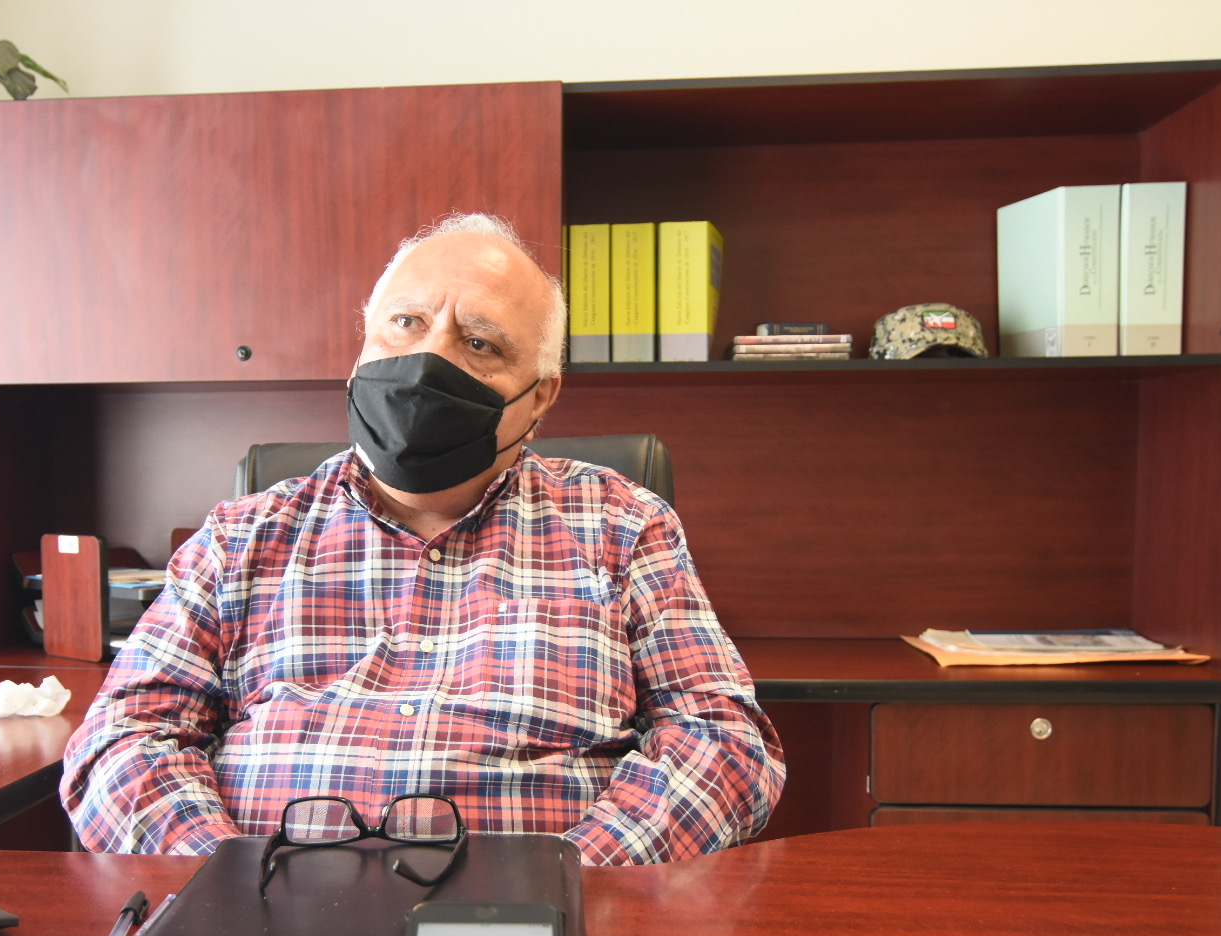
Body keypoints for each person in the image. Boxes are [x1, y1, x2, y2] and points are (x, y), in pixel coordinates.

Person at [59, 212, 785, 865]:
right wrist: (226, 890)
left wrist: (569, 885)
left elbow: (724, 742)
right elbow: (122, 741)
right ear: (362, 348)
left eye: (480, 343)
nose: (428, 362)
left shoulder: (623, 525)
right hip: (265, 923)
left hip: (534, 930)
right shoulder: (240, 538)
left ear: (540, 394)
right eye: (405, 323)